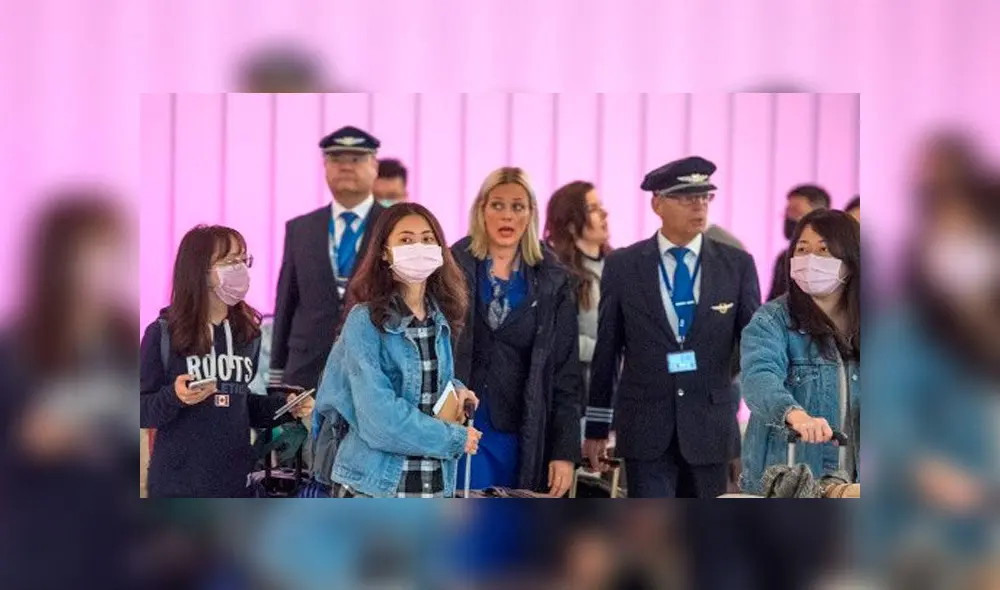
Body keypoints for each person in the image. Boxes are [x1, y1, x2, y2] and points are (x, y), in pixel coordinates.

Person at [584, 156, 761, 498]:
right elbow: (607, 349)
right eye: (685, 197)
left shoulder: (736, 265)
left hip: (710, 424)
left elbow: (752, 347)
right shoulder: (624, 265)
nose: (698, 206)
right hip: (645, 426)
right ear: (657, 204)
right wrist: (597, 427)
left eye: (704, 197)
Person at [315, 203, 481, 497]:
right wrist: (454, 438)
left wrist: (457, 391)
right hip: (375, 486)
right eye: (406, 240)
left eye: (428, 239)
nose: (418, 246)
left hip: (432, 483)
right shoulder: (364, 321)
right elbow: (379, 419)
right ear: (384, 251)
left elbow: (424, 383)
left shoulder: (439, 317)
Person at [140, 225, 313, 497]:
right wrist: (175, 396)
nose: (241, 269)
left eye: (243, 260)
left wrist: (287, 406)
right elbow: (142, 409)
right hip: (178, 486)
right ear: (201, 272)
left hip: (235, 484)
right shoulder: (163, 333)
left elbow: (240, 403)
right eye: (230, 261)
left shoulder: (248, 334)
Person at [451, 167, 583, 497]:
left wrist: (564, 452)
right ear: (481, 210)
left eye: (518, 206)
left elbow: (566, 374)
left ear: (531, 213)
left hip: (519, 429)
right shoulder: (453, 265)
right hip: (457, 425)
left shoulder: (553, 278)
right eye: (497, 205)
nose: (507, 216)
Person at [739, 209, 861, 494]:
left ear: (851, 261)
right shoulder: (772, 320)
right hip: (789, 477)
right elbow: (759, 376)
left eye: (824, 250)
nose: (810, 260)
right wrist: (795, 414)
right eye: (802, 249)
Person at [270, 125, 386, 391]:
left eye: (356, 159)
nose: (346, 167)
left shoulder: (392, 226)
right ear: (324, 166)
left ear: (374, 165)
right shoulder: (300, 229)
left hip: (373, 369)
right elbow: (286, 302)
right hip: (305, 372)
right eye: (336, 159)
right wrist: (277, 375)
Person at [543, 181, 610, 402]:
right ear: (571, 224)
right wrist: (608, 349)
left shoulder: (618, 266)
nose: (604, 214)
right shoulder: (559, 275)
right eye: (593, 209)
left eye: (600, 206)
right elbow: (559, 337)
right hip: (579, 393)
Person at [767, 184, 831, 301]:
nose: (789, 218)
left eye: (796, 212)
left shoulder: (835, 257)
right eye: (787, 212)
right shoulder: (784, 259)